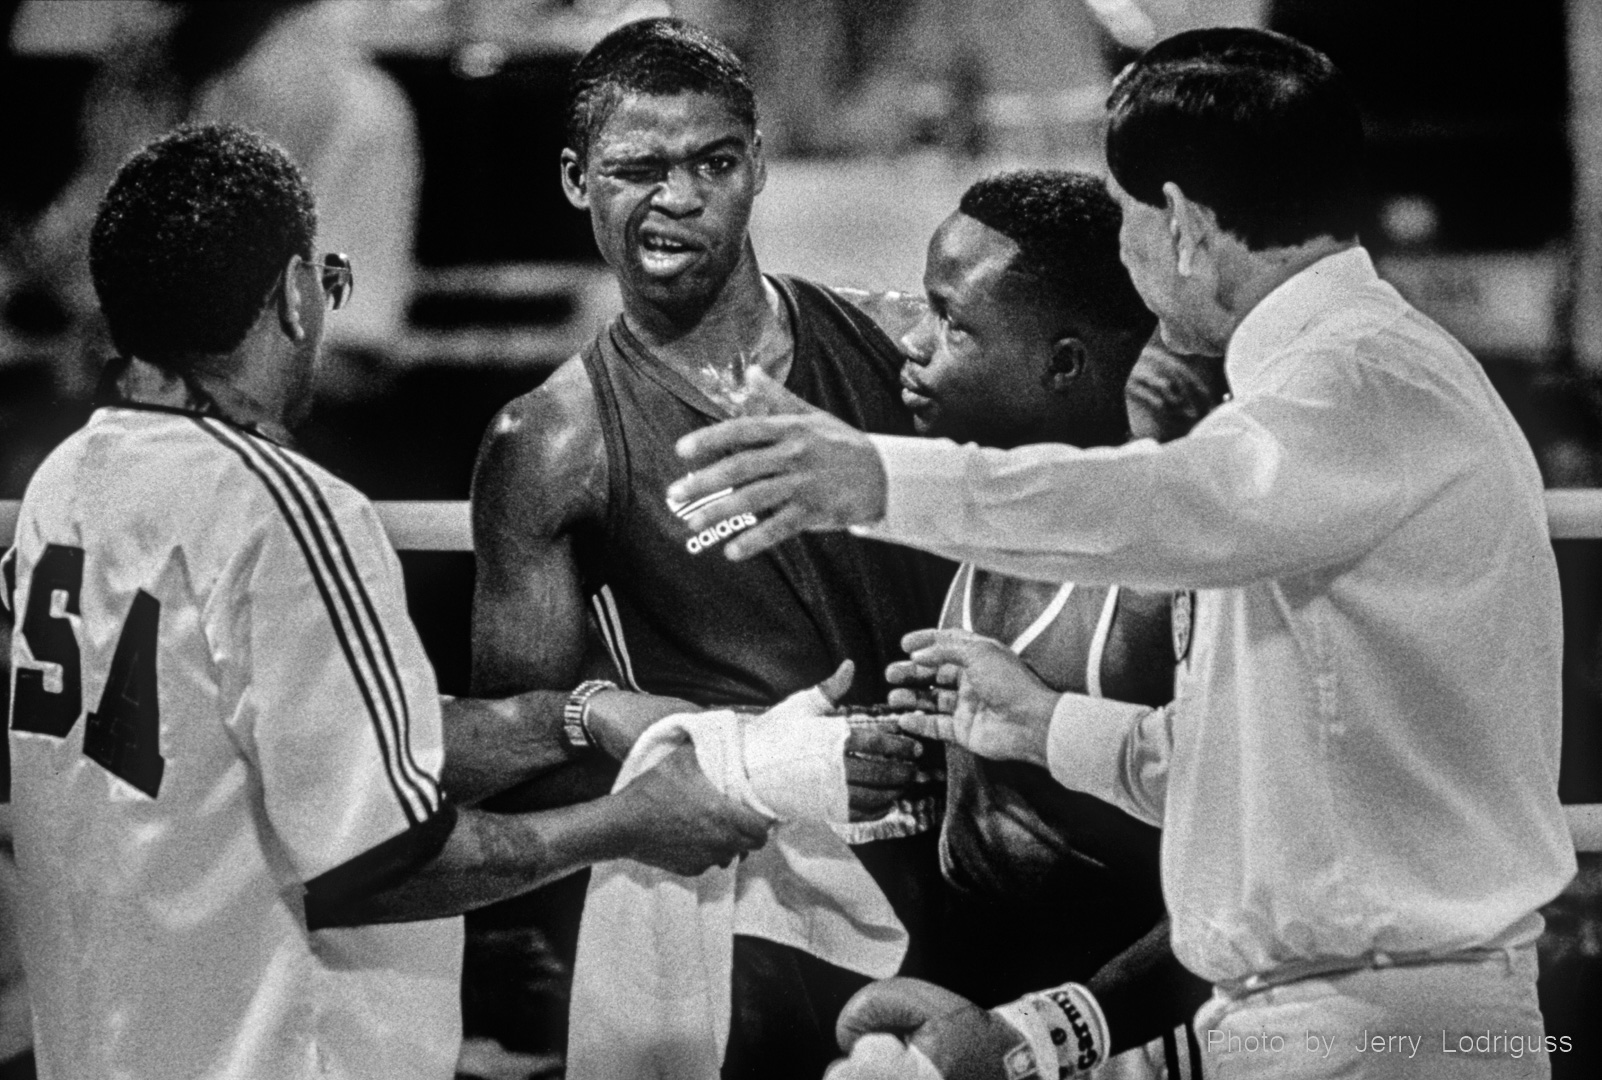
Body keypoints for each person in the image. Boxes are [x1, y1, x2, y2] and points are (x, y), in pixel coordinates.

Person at [669, 27, 1577, 1080]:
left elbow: (1168, 504)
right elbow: (1264, 769)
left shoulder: (1358, 386)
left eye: (1132, 215)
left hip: (1382, 1028)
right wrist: (1050, 725)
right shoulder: (1340, 390)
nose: (1126, 251)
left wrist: (875, 478)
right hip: (1351, 1018)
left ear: (1185, 223)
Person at [1, 122, 777, 1080]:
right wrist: (633, 824)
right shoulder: (282, 506)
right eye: (326, 278)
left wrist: (573, 718)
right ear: (291, 293)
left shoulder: (66, 484)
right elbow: (385, 860)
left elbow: (317, 754)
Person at [468, 18, 951, 1080]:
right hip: (752, 911)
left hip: (969, 873)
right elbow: (518, 747)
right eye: (638, 170)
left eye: (714, 162)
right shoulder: (553, 440)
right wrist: (736, 761)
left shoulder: (901, 343)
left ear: (760, 163)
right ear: (574, 179)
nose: (679, 198)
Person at [878, 168, 1216, 1074]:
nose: (915, 344)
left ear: (1064, 364)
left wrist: (1050, 1033)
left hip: (1137, 1037)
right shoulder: (982, 527)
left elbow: (1243, 870)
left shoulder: (1164, 574)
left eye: (953, 323)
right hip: (990, 1021)